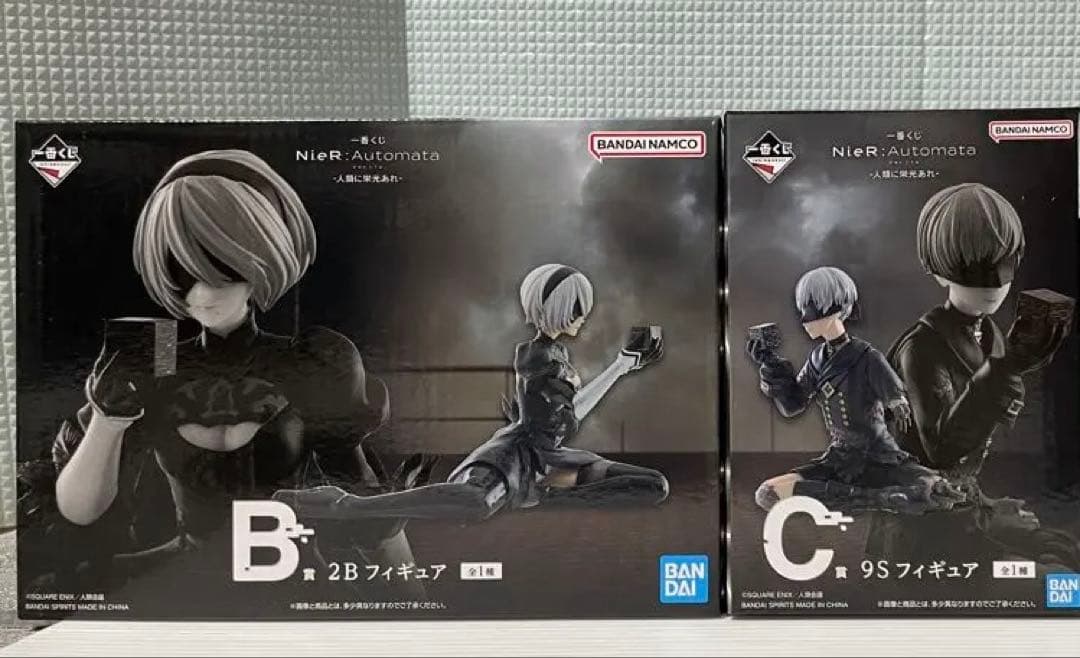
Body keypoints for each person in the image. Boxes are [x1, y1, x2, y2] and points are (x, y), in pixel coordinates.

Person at [33, 149, 422, 604]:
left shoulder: (312, 360)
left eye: (220, 269)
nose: (200, 293)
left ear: (258, 262)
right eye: (180, 272)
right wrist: (107, 421)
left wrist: (414, 596)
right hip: (185, 572)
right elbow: (81, 511)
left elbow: (368, 512)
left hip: (291, 576)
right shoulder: (155, 363)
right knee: (57, 591)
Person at [274, 263, 669, 522]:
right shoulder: (536, 357)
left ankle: (545, 498)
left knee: (652, 485)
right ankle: (344, 505)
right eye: (577, 306)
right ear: (555, 307)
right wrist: (618, 368)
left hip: (552, 462)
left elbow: (565, 417)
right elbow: (554, 422)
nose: (583, 315)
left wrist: (621, 366)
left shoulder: (558, 356)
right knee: (476, 503)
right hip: (514, 458)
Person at [867, 182, 1080, 571]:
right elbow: (942, 449)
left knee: (1062, 549)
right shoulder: (921, 348)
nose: (995, 283)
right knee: (1051, 570)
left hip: (964, 508)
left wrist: (989, 507)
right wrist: (1006, 368)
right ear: (938, 271)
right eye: (972, 268)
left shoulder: (991, 334)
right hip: (920, 526)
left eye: (1005, 263)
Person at [747, 266, 961, 514]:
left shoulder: (865, 355)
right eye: (802, 308)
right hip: (839, 458)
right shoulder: (817, 359)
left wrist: (897, 401)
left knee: (933, 487)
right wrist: (771, 364)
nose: (804, 319)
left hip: (878, 455)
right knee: (768, 493)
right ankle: (878, 498)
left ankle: (877, 495)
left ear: (837, 308)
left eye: (811, 308)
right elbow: (793, 405)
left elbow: (895, 394)